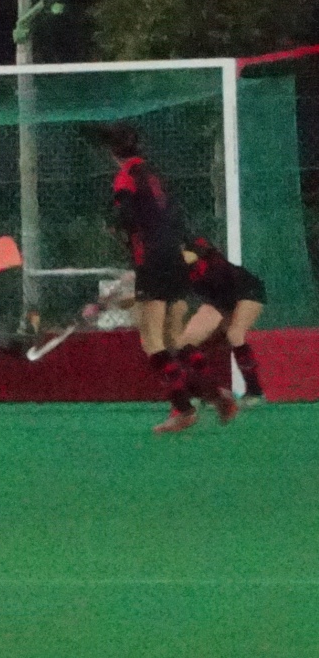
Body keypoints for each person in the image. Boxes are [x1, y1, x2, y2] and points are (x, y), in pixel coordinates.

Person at [93, 124, 195, 433]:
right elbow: (175, 215)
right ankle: (211, 394)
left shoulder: (125, 177)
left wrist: (113, 227)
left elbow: (125, 216)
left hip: (152, 259)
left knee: (151, 340)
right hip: (175, 255)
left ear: (113, 153)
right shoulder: (155, 174)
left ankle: (184, 408)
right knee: (172, 336)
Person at [176, 236, 267, 419]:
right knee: (186, 342)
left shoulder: (192, 243)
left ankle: (255, 392)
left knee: (234, 334)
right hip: (217, 299)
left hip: (246, 290)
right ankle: (206, 393)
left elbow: (191, 257)